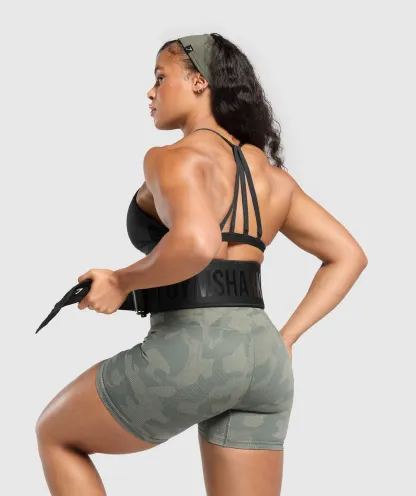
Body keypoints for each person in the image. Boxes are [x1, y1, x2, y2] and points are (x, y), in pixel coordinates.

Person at [35, 33, 368, 496]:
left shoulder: (173, 158)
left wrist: (121, 281)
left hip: (193, 351)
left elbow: (197, 241)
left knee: (56, 434)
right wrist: (287, 338)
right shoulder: (273, 178)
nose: (150, 91)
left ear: (198, 82)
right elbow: (348, 256)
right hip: (265, 360)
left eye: (160, 77)